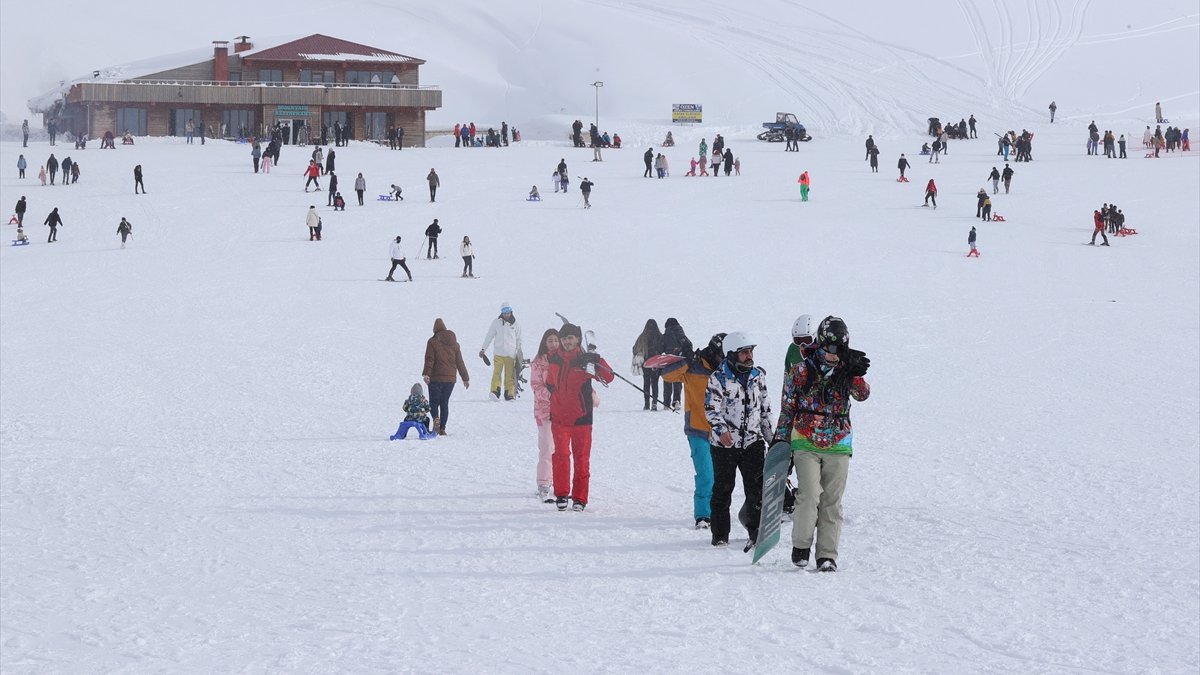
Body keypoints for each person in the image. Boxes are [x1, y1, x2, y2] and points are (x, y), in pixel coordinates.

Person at [773, 316, 871, 572]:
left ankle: (827, 554)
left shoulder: (846, 370)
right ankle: (801, 546)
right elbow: (787, 407)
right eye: (830, 349)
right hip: (805, 440)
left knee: (832, 501)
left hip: (839, 442)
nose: (834, 355)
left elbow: (862, 395)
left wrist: (855, 373)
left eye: (840, 350)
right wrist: (780, 439)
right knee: (809, 495)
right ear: (821, 344)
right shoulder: (802, 370)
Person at [704, 331, 773, 550]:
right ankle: (720, 535)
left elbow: (765, 411)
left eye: (751, 351)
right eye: (744, 352)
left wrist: (774, 440)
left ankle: (755, 532)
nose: (749, 355)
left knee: (756, 489)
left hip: (752, 442)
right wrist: (721, 431)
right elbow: (711, 408)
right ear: (732, 354)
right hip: (725, 444)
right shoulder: (718, 378)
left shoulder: (757, 377)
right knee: (723, 489)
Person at [546, 323, 614, 511]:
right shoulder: (553, 359)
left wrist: (597, 359)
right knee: (560, 457)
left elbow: (609, 377)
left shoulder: (586, 361)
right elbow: (550, 383)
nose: (567, 341)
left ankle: (579, 498)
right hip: (559, 418)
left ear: (577, 340)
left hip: (581, 419)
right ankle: (561, 494)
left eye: (571, 338)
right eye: (565, 338)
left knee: (581, 459)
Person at [661, 332, 725, 529]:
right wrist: (687, 361)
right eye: (722, 354)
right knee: (706, 475)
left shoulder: (728, 371)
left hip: (723, 433)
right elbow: (667, 374)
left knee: (721, 477)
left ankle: (719, 513)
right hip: (698, 431)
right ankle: (703, 515)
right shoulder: (694, 367)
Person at [422, 318, 470, 436]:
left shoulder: (432, 341)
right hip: (450, 380)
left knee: (434, 402)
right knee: (444, 402)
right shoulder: (455, 344)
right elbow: (460, 362)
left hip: (435, 378)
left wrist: (427, 374)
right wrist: (465, 378)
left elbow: (430, 359)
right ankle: (442, 428)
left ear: (435, 330)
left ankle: (436, 419)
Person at [530, 328, 561, 503]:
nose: (553, 344)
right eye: (550, 340)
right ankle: (543, 482)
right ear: (544, 342)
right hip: (544, 411)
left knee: (561, 448)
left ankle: (560, 481)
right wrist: (551, 394)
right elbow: (536, 385)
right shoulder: (538, 362)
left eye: (556, 340)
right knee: (547, 447)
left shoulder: (564, 360)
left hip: (562, 410)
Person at [480, 303, 524, 400]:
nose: (506, 314)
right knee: (497, 373)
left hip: (510, 354)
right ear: (501, 313)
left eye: (508, 312)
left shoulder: (516, 324)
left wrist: (519, 354)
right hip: (498, 353)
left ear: (511, 312)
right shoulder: (496, 322)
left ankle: (509, 393)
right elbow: (489, 335)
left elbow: (519, 340)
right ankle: (495, 391)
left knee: (510, 375)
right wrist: (483, 348)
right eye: (504, 312)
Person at [632, 319, 665, 411]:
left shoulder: (642, 336)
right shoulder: (659, 336)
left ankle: (646, 404)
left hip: (645, 363)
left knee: (646, 383)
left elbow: (634, 349)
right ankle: (654, 403)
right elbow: (664, 348)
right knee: (655, 383)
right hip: (656, 363)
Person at [660, 318, 690, 411]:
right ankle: (677, 401)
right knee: (677, 380)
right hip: (679, 361)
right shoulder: (681, 334)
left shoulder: (665, 336)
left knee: (667, 379)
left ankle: (666, 403)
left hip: (668, 361)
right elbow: (689, 345)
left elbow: (661, 348)